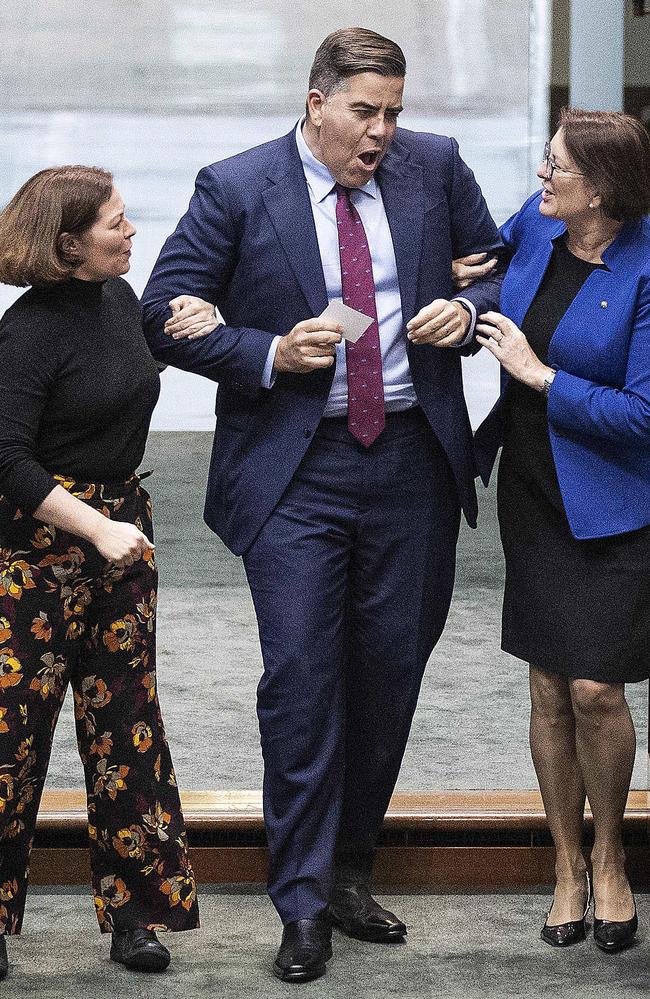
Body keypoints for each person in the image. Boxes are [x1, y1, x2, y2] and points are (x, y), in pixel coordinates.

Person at [141, 27, 502, 982]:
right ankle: (299, 903)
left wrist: (467, 315)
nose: (382, 131)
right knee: (302, 683)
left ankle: (349, 872)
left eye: (394, 112)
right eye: (364, 112)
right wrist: (263, 352)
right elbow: (164, 304)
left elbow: (501, 262)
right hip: (296, 471)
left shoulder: (435, 166)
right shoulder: (236, 185)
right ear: (316, 103)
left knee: (388, 680)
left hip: (413, 466)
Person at [0, 166, 203, 980]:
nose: (132, 230)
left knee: (127, 728)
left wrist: (184, 328)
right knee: (10, 745)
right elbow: (5, 457)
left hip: (120, 541)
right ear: (68, 244)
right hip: (33, 556)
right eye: (118, 222)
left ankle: (136, 913)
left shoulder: (117, 300)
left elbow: (120, 372)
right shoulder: (26, 333)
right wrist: (93, 527)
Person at [471, 108, 650, 953]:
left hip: (619, 502)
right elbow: (491, 259)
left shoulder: (647, 268)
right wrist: (466, 286)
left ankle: (612, 857)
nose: (541, 179)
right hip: (535, 490)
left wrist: (539, 375)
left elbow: (646, 414)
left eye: (556, 170)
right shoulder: (539, 230)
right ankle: (567, 866)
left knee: (595, 689)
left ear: (602, 189)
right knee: (547, 686)